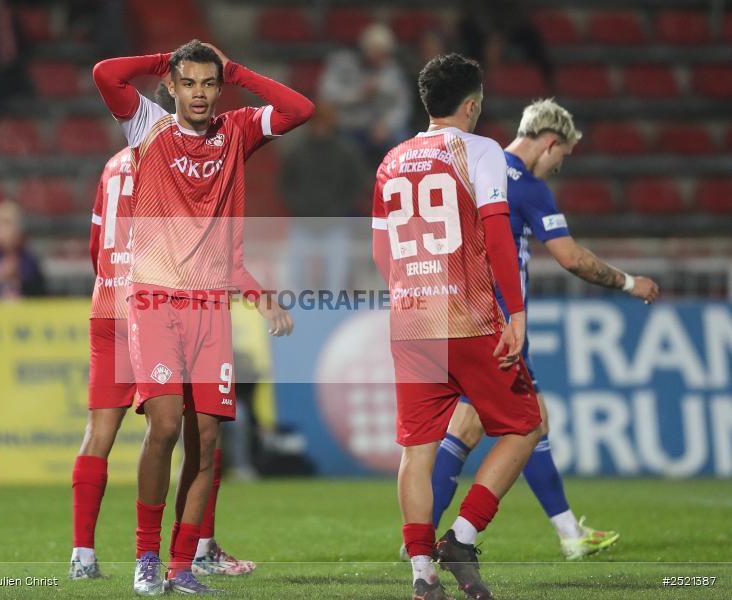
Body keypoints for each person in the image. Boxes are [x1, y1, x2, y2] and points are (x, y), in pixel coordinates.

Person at [92, 40, 312, 594]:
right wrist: (163, 58)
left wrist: (238, 70)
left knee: (206, 441)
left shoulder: (236, 131)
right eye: (187, 83)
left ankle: (181, 565)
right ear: (171, 86)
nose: (199, 94)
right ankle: (146, 557)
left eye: (210, 84)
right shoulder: (148, 127)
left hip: (211, 306)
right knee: (164, 426)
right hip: (156, 300)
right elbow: (106, 72)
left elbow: (299, 109)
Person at [428, 99, 660, 560]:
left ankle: (566, 531)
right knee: (526, 425)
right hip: (499, 323)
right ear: (551, 142)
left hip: (453, 312)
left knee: (475, 427)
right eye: (562, 156)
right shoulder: (526, 184)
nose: (558, 167)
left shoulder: (474, 165)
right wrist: (631, 283)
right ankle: (459, 538)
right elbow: (572, 258)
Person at [371, 53, 541, 600]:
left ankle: (422, 575)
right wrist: (515, 312)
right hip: (468, 318)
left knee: (416, 450)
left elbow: (381, 251)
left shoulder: (391, 160)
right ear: (472, 104)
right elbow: (496, 235)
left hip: (411, 320)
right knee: (524, 425)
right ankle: (462, 538)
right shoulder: (481, 150)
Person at [69, 146, 256, 580]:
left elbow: (97, 243)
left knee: (99, 432)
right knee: (202, 431)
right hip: (159, 301)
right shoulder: (176, 157)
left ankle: (83, 556)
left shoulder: (113, 163)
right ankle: (200, 549)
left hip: (110, 302)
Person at [279, 101, 367, 293]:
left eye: (324, 122)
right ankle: (298, 317)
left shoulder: (346, 152)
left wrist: (338, 210)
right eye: (317, 122)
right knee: (296, 279)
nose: (320, 127)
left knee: (336, 280)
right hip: (303, 222)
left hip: (335, 224)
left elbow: (355, 185)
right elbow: (286, 184)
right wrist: (300, 208)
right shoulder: (297, 151)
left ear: (331, 124)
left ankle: (333, 314)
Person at [319, 23, 411, 163]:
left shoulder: (392, 70)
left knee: (403, 143)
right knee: (345, 150)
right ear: (365, 48)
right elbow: (327, 94)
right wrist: (358, 94)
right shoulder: (342, 63)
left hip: (379, 128)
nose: (379, 58)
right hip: (348, 126)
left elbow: (402, 105)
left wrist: (387, 125)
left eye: (384, 53)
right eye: (375, 51)